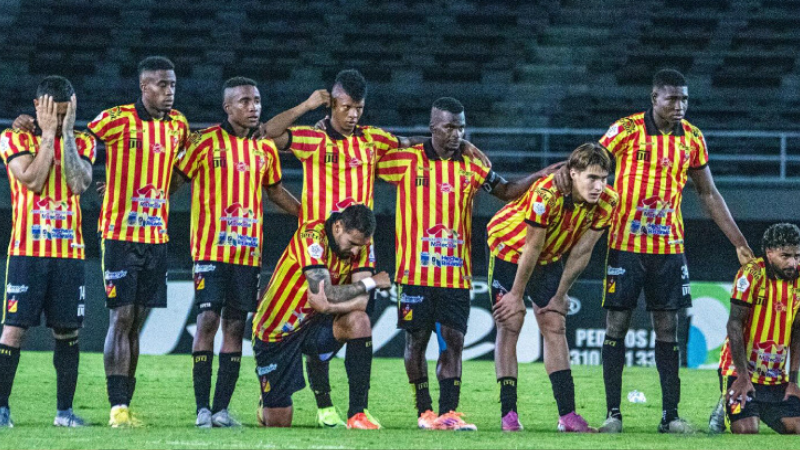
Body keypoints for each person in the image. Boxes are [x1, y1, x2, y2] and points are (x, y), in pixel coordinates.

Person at [261, 69, 489, 427]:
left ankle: (357, 412)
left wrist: (460, 145)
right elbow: (268, 133)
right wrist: (306, 105)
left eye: (359, 108)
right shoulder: (313, 139)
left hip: (358, 247)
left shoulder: (373, 140)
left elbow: (413, 142)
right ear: (332, 104)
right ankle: (320, 403)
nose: (353, 115)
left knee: (359, 318)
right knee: (317, 313)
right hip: (319, 245)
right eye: (346, 107)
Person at [377, 97, 550, 431]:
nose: (456, 133)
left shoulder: (471, 164)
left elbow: (506, 190)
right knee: (416, 341)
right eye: (449, 127)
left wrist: (539, 175)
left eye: (461, 127)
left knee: (454, 341)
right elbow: (368, 158)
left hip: (455, 275)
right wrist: (413, 140)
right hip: (415, 273)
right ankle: (424, 411)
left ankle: (449, 412)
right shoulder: (407, 160)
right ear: (433, 126)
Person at [596, 69, 754, 433]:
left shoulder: (693, 138)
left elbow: (708, 193)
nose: (680, 105)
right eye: (672, 98)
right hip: (625, 244)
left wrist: (739, 242)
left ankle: (670, 416)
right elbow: (591, 166)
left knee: (668, 328)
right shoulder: (626, 130)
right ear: (655, 98)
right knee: (616, 325)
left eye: (684, 98)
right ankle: (612, 415)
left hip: (669, 247)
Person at [170, 77, 300, 428]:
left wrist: (307, 214)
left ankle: (221, 409)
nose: (253, 107)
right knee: (207, 321)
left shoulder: (265, 148)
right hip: (210, 251)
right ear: (228, 107)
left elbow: (275, 191)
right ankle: (201, 408)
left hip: (247, 254)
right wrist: (128, 191)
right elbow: (174, 182)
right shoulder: (203, 142)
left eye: (256, 100)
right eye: (244, 101)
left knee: (235, 326)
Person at [488, 142, 618, 432]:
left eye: (603, 178)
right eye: (592, 178)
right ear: (573, 174)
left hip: (548, 256)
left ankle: (567, 416)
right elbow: (531, 247)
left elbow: (582, 251)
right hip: (509, 249)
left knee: (554, 324)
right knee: (510, 322)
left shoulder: (608, 201)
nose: (599, 186)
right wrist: (516, 295)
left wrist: (560, 294)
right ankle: (509, 414)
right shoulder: (546, 194)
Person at [90, 56, 190, 427]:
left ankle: (125, 406)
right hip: (119, 234)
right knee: (122, 317)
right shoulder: (116, 119)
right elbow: (81, 145)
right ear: (144, 86)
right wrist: (97, 179)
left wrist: (162, 190)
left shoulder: (178, 125)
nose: (169, 91)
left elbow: (179, 171)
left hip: (156, 236)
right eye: (162, 85)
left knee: (136, 323)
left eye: (173, 84)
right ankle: (115, 407)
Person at [0, 76, 94, 427]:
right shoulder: (13, 138)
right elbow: (34, 181)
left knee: (68, 333)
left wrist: (65, 134)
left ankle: (64, 414)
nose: (61, 118)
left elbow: (78, 183)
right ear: (39, 108)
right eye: (55, 113)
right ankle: (1, 410)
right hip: (27, 252)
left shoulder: (83, 141)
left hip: (69, 254)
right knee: (14, 330)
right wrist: (48, 134)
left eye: (67, 113)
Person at [252, 204, 391, 429]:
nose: (356, 252)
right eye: (352, 244)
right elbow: (326, 292)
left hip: (317, 322)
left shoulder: (362, 242)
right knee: (279, 422)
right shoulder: (311, 237)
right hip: (277, 331)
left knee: (359, 321)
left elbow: (361, 302)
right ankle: (267, 398)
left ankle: (357, 413)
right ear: (338, 227)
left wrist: (326, 308)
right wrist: (372, 282)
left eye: (360, 246)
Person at [715, 223, 800, 434]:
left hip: (774, 376)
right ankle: (725, 407)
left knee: (797, 428)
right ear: (769, 253)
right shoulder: (751, 274)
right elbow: (734, 324)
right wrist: (742, 376)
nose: (793, 263)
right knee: (747, 430)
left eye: (797, 256)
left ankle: (756, 407)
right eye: (785, 256)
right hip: (739, 371)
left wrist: (793, 381)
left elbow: (797, 331)